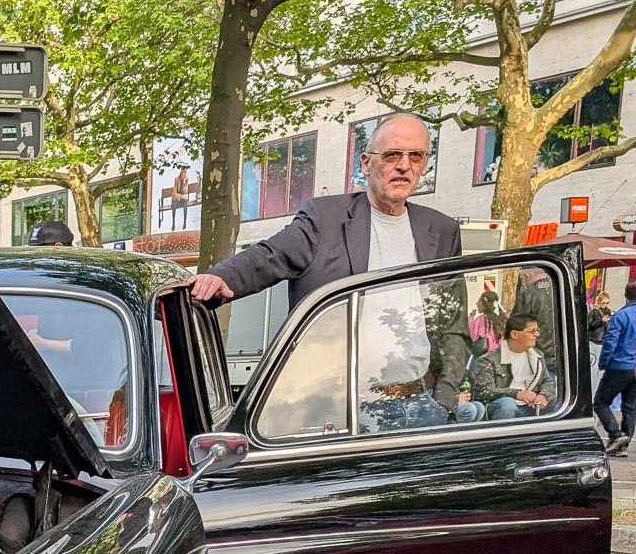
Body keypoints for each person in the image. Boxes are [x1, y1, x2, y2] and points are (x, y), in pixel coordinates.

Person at [189, 114, 462, 308]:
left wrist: (448, 388)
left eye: (416, 156)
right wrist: (219, 277)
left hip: (419, 390)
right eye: (392, 155)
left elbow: (452, 323)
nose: (404, 166)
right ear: (366, 164)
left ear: (425, 164)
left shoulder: (442, 231)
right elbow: (269, 256)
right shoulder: (324, 219)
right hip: (337, 387)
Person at [468, 313, 555, 420]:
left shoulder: (537, 356)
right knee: (508, 404)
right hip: (503, 407)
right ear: (514, 334)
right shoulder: (488, 359)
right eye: (532, 331)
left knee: (558, 404)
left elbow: (547, 382)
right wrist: (516, 394)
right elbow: (482, 391)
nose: (537, 334)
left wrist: (544, 396)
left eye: (537, 330)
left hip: (530, 406)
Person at [594, 281, 636, 455]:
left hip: (619, 365)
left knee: (601, 402)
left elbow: (610, 342)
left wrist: (604, 363)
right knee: (630, 408)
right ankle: (622, 446)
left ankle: (615, 434)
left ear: (626, 296)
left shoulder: (621, 315)